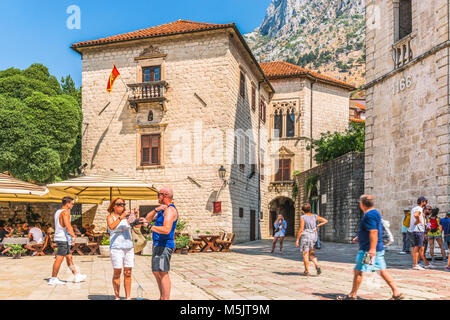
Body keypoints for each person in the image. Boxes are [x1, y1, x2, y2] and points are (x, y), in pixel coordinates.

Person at [338, 195, 403, 300]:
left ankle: (352, 295)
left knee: (358, 270)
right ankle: (396, 292)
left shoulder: (369, 215)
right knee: (382, 270)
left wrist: (372, 249)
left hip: (368, 250)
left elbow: (373, 231)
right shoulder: (375, 212)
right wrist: (359, 237)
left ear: (362, 204)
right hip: (377, 248)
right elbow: (372, 229)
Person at [140, 187, 178, 300]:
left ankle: (165, 298)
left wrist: (149, 226)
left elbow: (166, 229)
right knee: (156, 271)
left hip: (165, 245)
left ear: (165, 195)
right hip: (158, 245)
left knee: (163, 272)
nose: (157, 196)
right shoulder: (163, 210)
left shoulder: (170, 210)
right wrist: (156, 209)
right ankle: (162, 297)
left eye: (158, 194)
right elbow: (147, 219)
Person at [106, 198, 140, 300]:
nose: (121, 206)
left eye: (123, 204)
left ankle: (128, 297)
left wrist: (136, 216)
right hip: (116, 248)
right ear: (113, 206)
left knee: (128, 272)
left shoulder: (127, 217)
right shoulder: (110, 217)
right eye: (119, 204)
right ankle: (117, 297)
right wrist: (121, 217)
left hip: (128, 247)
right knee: (117, 272)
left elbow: (137, 227)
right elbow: (111, 227)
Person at [48, 197, 87, 285]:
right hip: (63, 239)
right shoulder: (65, 212)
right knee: (59, 258)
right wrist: (73, 235)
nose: (73, 205)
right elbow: (68, 225)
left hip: (60, 237)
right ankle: (53, 278)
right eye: (72, 204)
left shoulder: (58, 212)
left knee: (69, 257)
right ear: (67, 203)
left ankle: (76, 275)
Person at [295, 203, 328, 275]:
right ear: (310, 209)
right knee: (312, 253)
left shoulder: (303, 217)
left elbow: (301, 229)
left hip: (306, 236)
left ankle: (306, 271)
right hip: (314, 236)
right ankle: (317, 265)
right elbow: (325, 220)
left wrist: (297, 239)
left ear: (303, 211)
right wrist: (317, 225)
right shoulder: (315, 216)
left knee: (305, 254)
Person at [409, 197, 433, 270]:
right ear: (422, 202)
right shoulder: (419, 208)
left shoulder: (414, 208)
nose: (426, 203)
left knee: (415, 248)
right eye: (425, 201)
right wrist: (418, 221)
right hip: (418, 230)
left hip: (415, 230)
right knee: (417, 248)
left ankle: (415, 264)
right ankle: (416, 264)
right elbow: (416, 215)